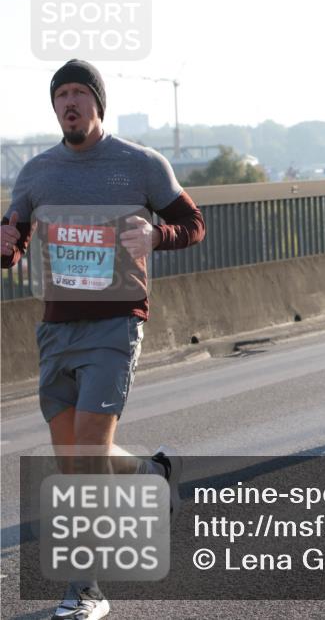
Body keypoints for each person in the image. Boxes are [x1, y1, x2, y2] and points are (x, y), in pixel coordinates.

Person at [0, 59, 205, 620]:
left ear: (98, 103)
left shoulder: (140, 164)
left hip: (117, 323)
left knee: (85, 456)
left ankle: (85, 588)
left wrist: (156, 234)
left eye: (79, 93)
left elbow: (194, 223)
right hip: (56, 328)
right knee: (76, 459)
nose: (70, 103)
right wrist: (6, 244)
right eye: (61, 94)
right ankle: (153, 474)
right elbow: (13, 242)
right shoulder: (37, 173)